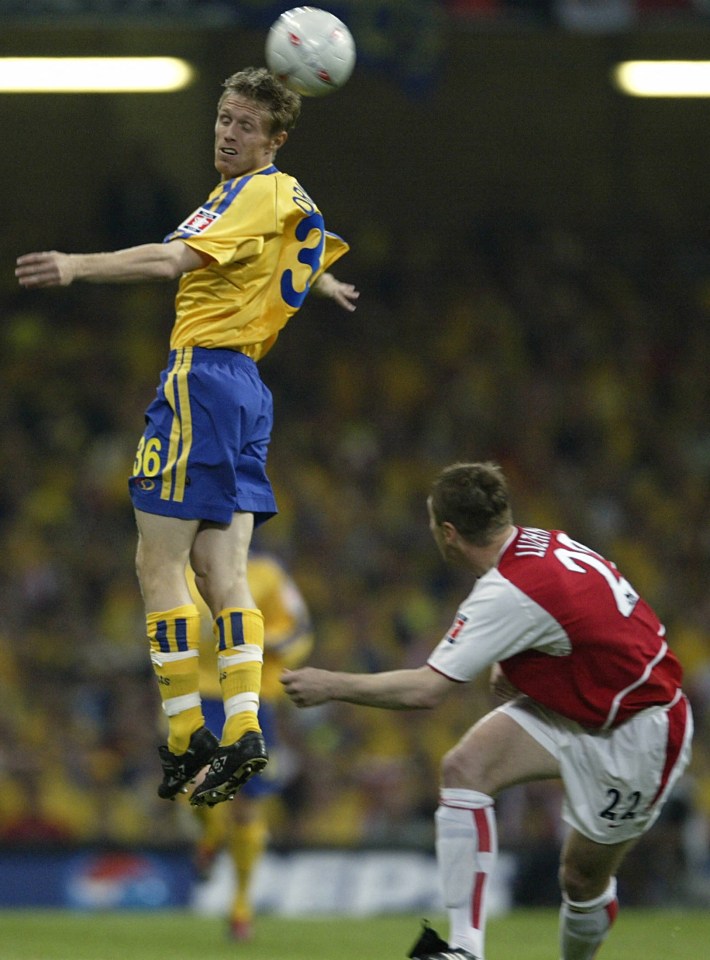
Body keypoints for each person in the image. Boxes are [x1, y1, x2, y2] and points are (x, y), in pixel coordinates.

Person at [16, 66, 358, 808]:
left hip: (201, 378)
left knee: (157, 564)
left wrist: (77, 265)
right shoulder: (292, 198)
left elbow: (173, 258)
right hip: (250, 393)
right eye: (223, 118)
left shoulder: (249, 193)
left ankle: (181, 737)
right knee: (221, 569)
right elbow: (307, 246)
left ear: (276, 139)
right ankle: (243, 725)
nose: (227, 133)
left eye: (245, 125)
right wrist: (325, 284)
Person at [282, 461, 693, 960]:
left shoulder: (507, 592)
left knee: (581, 879)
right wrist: (519, 663)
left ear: (449, 533)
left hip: (638, 731)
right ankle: (465, 950)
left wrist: (331, 685)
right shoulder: (540, 544)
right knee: (463, 768)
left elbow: (425, 690)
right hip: (573, 707)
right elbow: (581, 622)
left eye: (433, 522)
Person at [187, 551, 314, 941]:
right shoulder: (185, 571)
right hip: (203, 691)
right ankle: (211, 836)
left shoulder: (268, 573)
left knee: (246, 808)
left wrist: (263, 639)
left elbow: (299, 629)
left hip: (254, 695)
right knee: (199, 783)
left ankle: (241, 905)